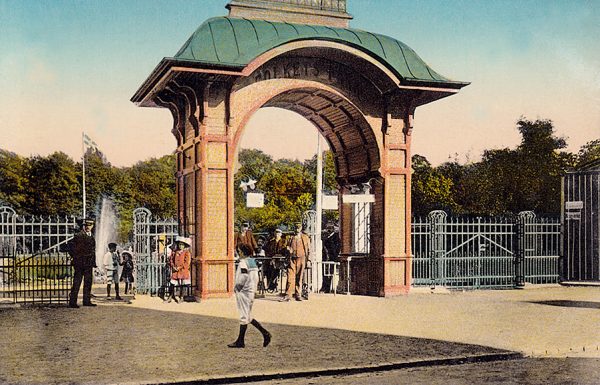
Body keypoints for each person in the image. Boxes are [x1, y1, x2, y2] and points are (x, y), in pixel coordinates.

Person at [228, 252, 271, 348]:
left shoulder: (243, 263)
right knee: (248, 315)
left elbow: (243, 276)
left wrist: (238, 286)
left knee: (244, 316)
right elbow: (255, 278)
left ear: (242, 252)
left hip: (244, 291)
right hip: (251, 291)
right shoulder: (252, 262)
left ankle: (241, 341)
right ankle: (265, 334)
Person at [68, 217, 97, 308]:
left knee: (88, 282)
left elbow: (92, 251)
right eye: (86, 225)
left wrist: (93, 262)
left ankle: (86, 301)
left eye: (90, 225)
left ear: (92, 226)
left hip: (89, 264)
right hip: (80, 263)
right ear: (83, 226)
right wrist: (75, 257)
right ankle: (72, 302)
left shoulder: (91, 236)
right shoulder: (79, 235)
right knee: (77, 282)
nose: (88, 227)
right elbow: (70, 247)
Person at [281, 222, 310, 302]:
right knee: (290, 277)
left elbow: (309, 250)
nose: (297, 229)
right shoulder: (290, 237)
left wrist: (309, 260)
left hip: (302, 259)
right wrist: (287, 248)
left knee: (299, 277)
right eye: (296, 227)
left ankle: (298, 294)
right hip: (292, 259)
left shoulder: (305, 237)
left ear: (301, 228)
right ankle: (288, 295)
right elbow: (284, 247)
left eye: (299, 227)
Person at [165, 236, 192, 303]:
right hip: (175, 271)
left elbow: (187, 263)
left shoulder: (186, 253)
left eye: (182, 245)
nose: (180, 246)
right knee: (172, 284)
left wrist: (180, 268)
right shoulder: (175, 252)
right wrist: (173, 266)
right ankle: (170, 297)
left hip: (182, 270)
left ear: (184, 245)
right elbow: (171, 260)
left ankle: (181, 297)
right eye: (180, 244)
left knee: (182, 284)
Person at [263, 228, 287, 292]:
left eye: (278, 233)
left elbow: (284, 251)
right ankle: (270, 285)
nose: (277, 234)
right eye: (276, 232)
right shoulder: (271, 242)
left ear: (281, 234)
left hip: (280, 260)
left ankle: (272, 285)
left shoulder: (284, 241)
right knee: (268, 269)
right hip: (271, 260)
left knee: (275, 269)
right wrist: (271, 258)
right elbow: (267, 250)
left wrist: (276, 256)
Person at [320, 222, 341, 293]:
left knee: (329, 273)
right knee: (325, 273)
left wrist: (333, 256)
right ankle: (325, 287)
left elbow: (336, 248)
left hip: (331, 258)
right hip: (325, 258)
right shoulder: (326, 237)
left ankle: (327, 288)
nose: (328, 231)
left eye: (329, 229)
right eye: (327, 229)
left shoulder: (336, 237)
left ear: (332, 229)